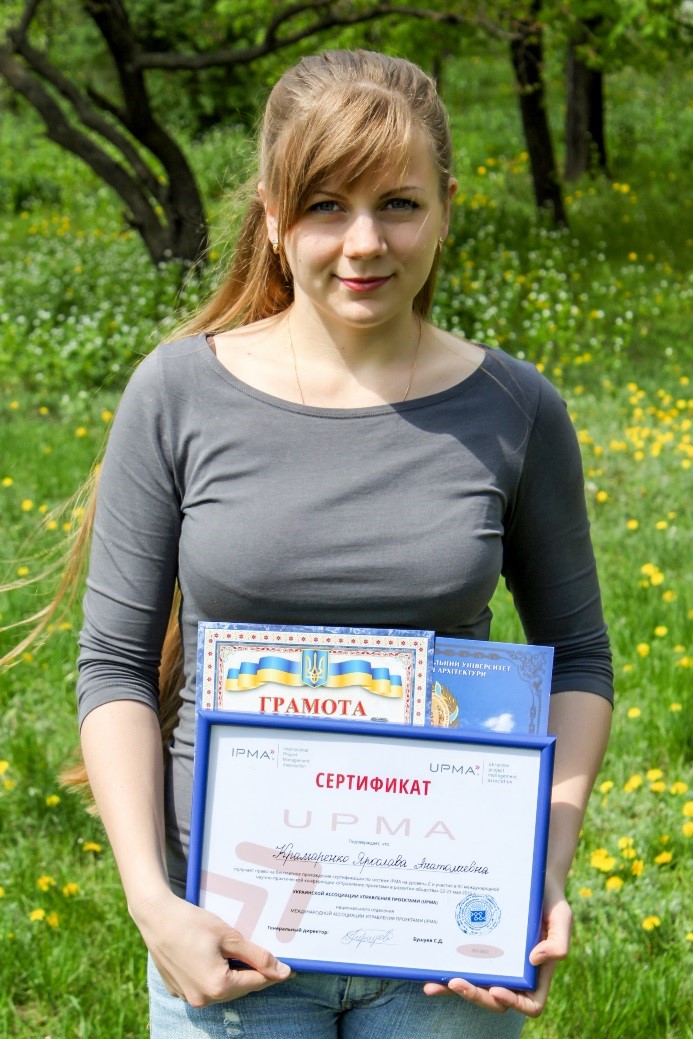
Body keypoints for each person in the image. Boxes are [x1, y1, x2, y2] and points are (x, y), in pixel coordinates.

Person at [63, 49, 613, 1038]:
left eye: (398, 204)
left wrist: (541, 869)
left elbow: (576, 657)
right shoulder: (175, 394)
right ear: (274, 215)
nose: (364, 243)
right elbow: (112, 665)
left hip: (446, 952)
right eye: (326, 206)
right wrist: (153, 903)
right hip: (226, 937)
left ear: (445, 209)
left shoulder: (517, 408)